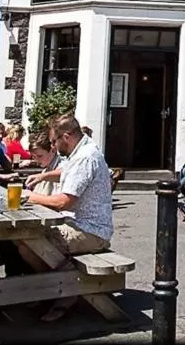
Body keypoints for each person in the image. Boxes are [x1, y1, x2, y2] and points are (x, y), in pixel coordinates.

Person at [22, 115, 114, 321]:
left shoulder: (85, 157)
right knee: (27, 240)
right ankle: (52, 289)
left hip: (90, 230)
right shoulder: (84, 147)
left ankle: (66, 290)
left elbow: (64, 202)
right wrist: (43, 176)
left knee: (29, 245)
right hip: (79, 223)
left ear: (66, 136)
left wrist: (30, 197)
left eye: (54, 141)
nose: (53, 146)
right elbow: (69, 172)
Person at [28, 131, 62, 196]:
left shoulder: (61, 166)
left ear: (53, 150)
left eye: (40, 156)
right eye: (34, 157)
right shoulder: (46, 169)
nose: (36, 160)